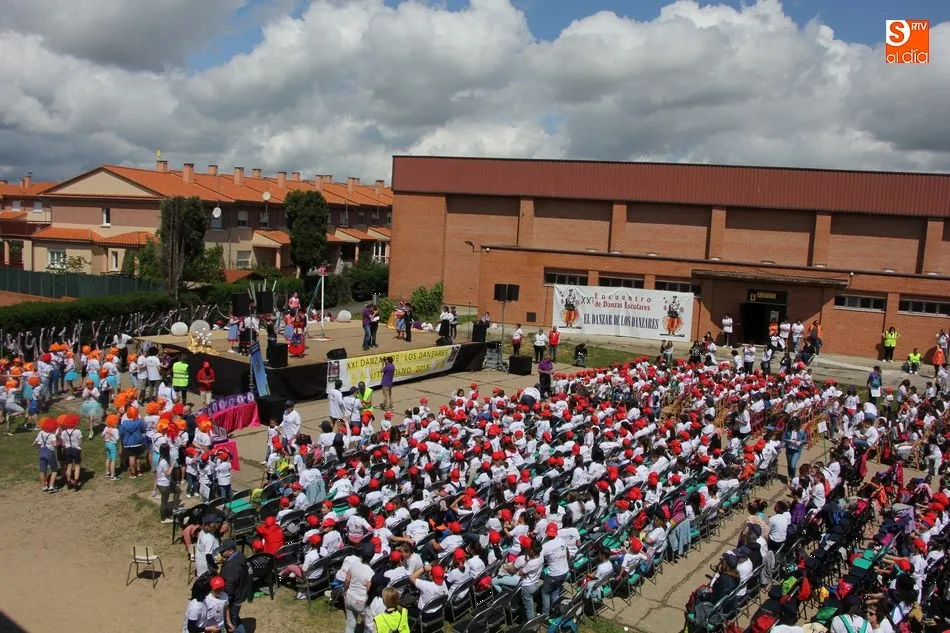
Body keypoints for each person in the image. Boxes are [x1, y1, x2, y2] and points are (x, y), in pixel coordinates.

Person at [217, 539, 250, 633]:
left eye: (223, 551)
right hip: (240, 593)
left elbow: (229, 588)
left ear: (231, 551)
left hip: (234, 597)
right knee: (234, 617)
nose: (221, 552)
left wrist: (224, 601)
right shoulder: (239, 555)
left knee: (230, 621)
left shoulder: (231, 567)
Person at [343, 545, 374, 633]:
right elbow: (369, 590)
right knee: (369, 625)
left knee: (350, 623)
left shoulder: (353, 564)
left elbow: (347, 581)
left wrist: (346, 592)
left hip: (349, 597)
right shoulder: (370, 572)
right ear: (372, 556)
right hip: (361, 601)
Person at [119, 407, 146, 479]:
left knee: (131, 457)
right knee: (138, 457)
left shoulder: (124, 424)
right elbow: (144, 430)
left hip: (128, 443)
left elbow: (121, 433)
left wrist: (122, 440)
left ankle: (133, 473)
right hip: (138, 442)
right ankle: (139, 471)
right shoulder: (139, 422)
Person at [157, 443, 176, 523]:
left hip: (161, 483)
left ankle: (166, 515)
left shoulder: (160, 458)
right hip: (164, 484)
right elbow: (167, 474)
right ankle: (163, 519)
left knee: (164, 501)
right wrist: (172, 466)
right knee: (164, 502)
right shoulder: (164, 462)